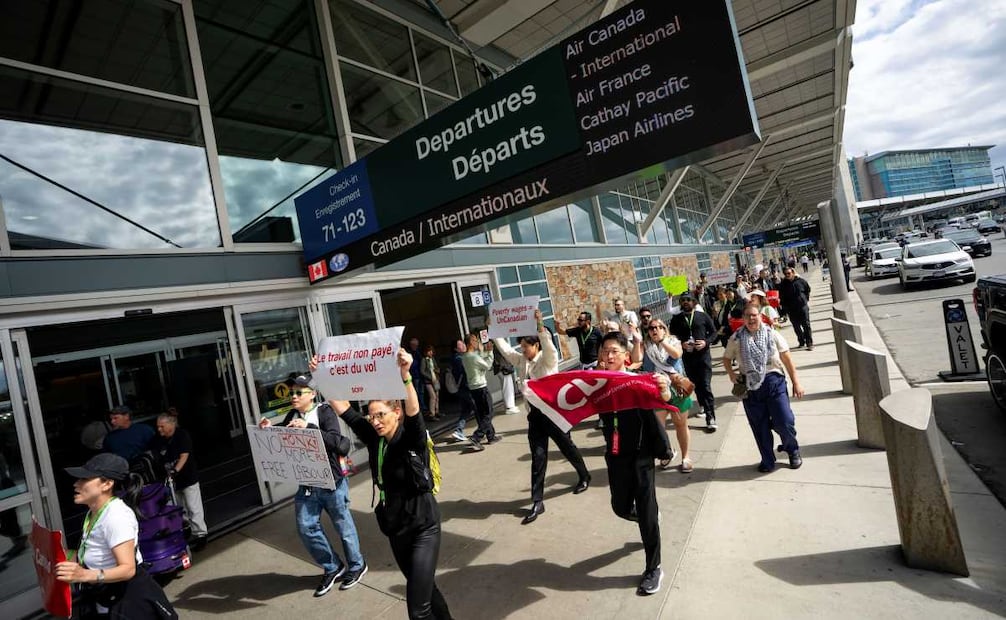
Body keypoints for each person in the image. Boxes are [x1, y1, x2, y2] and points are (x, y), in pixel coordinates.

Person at [327, 349, 452, 620]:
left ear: (396, 412)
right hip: (396, 529)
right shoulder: (375, 438)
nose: (375, 421)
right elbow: (344, 410)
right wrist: (321, 374)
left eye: (381, 415)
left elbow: (415, 411)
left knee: (418, 610)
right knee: (426, 591)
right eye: (372, 416)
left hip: (423, 528)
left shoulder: (411, 439)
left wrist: (405, 375)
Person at [258, 376, 366, 596]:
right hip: (307, 483)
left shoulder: (324, 412)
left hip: (331, 482)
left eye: (299, 393)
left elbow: (337, 442)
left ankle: (357, 566)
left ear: (312, 394)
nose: (294, 397)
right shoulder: (292, 415)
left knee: (343, 526)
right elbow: (283, 436)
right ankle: (332, 566)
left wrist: (308, 427)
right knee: (306, 527)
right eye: (292, 393)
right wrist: (270, 429)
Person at [596, 332, 676, 596]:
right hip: (616, 455)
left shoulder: (637, 381)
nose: (609, 356)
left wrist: (664, 387)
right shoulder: (597, 384)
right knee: (620, 507)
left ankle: (654, 568)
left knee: (646, 510)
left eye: (614, 351)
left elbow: (665, 397)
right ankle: (648, 518)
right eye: (605, 351)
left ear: (626, 356)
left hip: (641, 455)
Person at [492, 309, 590, 525]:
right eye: (522, 347)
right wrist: (494, 330)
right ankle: (538, 501)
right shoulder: (521, 361)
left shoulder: (547, 360)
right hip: (535, 418)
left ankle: (584, 475)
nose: (523, 350)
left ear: (535, 346)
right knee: (538, 458)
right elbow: (507, 351)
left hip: (554, 415)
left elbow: (549, 346)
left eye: (526, 347)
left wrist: (539, 325)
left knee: (568, 448)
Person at [56, 453, 176, 619]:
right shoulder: (94, 512)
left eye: (84, 479)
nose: (76, 484)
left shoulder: (117, 516)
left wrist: (84, 575)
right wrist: (54, 551)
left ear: (106, 484)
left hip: (129, 603)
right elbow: (93, 554)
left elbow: (128, 569)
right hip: (106, 598)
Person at [723, 303, 805, 472]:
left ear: (760, 316)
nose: (751, 319)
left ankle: (792, 450)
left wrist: (796, 381)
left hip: (774, 381)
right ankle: (768, 459)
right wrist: (731, 374)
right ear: (743, 318)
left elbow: (786, 358)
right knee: (760, 427)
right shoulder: (736, 338)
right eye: (747, 316)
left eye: (754, 315)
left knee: (784, 421)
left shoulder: (772, 334)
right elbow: (726, 358)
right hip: (750, 386)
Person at [150, 412, 207, 549]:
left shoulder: (182, 435)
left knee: (194, 508)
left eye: (162, 426)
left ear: (171, 424)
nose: (159, 429)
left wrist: (175, 471)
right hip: (171, 481)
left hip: (187, 477)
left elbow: (184, 456)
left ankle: (201, 535)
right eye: (158, 427)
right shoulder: (159, 440)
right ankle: (186, 529)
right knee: (179, 508)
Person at [643, 319, 691, 472]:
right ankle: (667, 453)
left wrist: (662, 340)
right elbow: (637, 360)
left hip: (677, 390)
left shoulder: (674, 341)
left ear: (664, 329)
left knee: (680, 425)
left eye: (659, 327)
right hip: (656, 391)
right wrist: (638, 340)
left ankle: (685, 457)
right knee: (658, 428)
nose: (655, 330)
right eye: (651, 328)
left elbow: (676, 354)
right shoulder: (646, 346)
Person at [669, 292, 719, 431]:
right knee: (695, 385)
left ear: (694, 302)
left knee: (706, 386)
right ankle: (703, 405)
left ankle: (711, 417)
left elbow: (714, 333)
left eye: (688, 300)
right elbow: (671, 336)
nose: (685, 302)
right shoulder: (676, 319)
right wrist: (681, 343)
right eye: (683, 300)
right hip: (688, 358)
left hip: (703, 357)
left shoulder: (702, 316)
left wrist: (706, 342)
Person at [461, 334, 498, 450]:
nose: (477, 342)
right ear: (470, 342)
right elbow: (487, 365)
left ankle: (491, 436)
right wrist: (490, 352)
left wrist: (485, 352)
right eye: (475, 340)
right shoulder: (473, 357)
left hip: (473, 388)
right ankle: (477, 437)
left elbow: (480, 357)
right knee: (489, 412)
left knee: (483, 413)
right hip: (481, 387)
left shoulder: (465, 357)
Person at [778, 266, 814, 350]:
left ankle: (809, 343)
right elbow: (782, 297)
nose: (787, 275)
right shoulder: (783, 285)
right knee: (796, 326)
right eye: (785, 274)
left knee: (806, 325)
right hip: (791, 309)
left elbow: (807, 289)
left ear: (793, 273)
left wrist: (805, 299)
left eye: (789, 273)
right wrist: (784, 310)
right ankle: (801, 341)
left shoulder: (801, 281)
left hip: (802, 307)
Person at [449, 340, 476, 443]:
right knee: (477, 409)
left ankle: (458, 430)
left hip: (461, 388)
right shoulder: (459, 359)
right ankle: (482, 432)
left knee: (466, 410)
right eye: (461, 345)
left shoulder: (456, 358)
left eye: (463, 343)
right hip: (466, 388)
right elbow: (467, 372)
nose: (464, 346)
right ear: (456, 349)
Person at [490, 342, 521, 415]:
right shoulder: (497, 345)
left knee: (507, 386)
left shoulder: (496, 345)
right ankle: (509, 406)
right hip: (503, 368)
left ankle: (510, 405)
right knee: (507, 387)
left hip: (502, 367)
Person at [420, 345, 441, 420]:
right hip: (428, 381)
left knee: (437, 396)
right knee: (433, 396)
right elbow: (422, 371)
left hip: (436, 379)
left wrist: (437, 370)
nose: (431, 352)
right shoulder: (424, 360)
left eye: (432, 351)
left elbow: (436, 367)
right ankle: (432, 414)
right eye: (429, 351)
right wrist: (429, 377)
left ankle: (437, 411)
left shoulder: (433, 359)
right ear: (426, 352)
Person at [408, 337, 427, 415]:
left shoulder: (418, 352)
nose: (416, 346)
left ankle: (423, 406)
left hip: (420, 375)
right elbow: (413, 364)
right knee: (416, 392)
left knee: (421, 392)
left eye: (416, 345)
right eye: (414, 345)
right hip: (414, 375)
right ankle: (419, 407)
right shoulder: (410, 353)